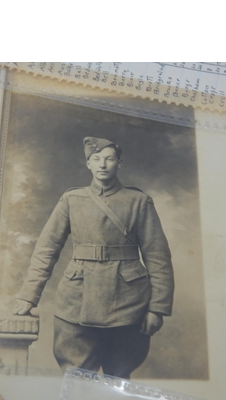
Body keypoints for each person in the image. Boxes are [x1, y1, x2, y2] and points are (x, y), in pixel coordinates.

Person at [13, 137, 174, 378]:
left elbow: (158, 257)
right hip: (77, 300)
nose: (102, 165)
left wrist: (157, 308)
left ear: (120, 163)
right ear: (88, 164)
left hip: (128, 305)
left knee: (118, 379)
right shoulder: (72, 199)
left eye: (109, 159)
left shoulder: (138, 202)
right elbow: (46, 250)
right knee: (76, 379)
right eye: (96, 159)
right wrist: (28, 296)